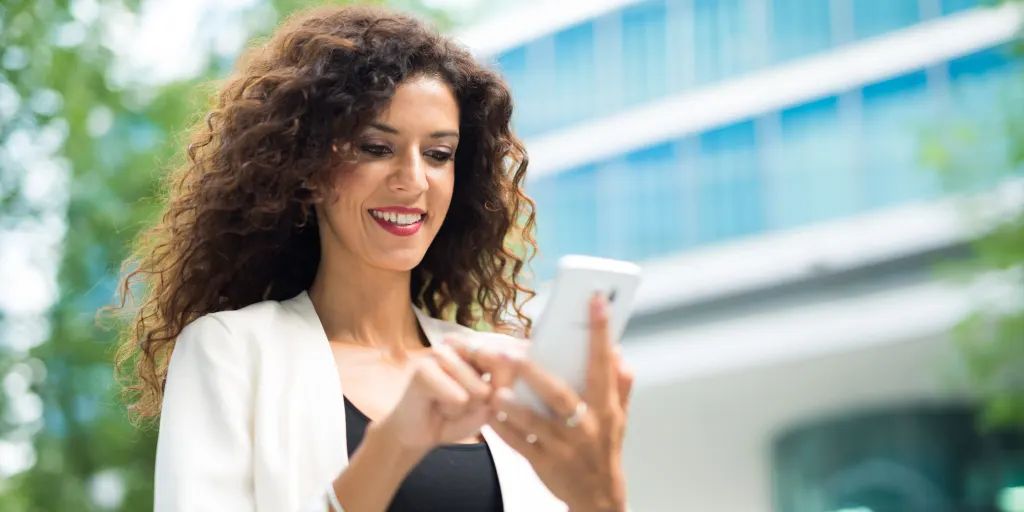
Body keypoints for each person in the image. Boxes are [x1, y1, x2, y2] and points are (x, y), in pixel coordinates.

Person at [112, 5, 634, 512]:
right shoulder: (231, 353)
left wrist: (601, 500)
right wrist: (391, 450)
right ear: (309, 167)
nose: (412, 180)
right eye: (375, 147)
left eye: (438, 154)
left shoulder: (498, 368)